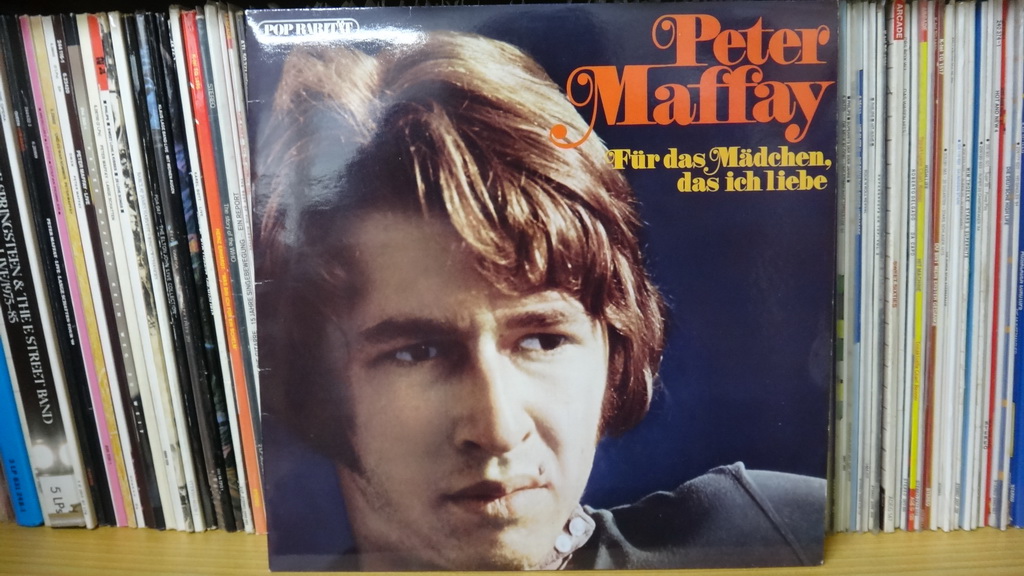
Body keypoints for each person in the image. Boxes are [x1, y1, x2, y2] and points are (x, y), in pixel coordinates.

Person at [252, 30, 825, 571]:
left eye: (543, 340)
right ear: (314, 385)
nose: (498, 428)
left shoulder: (775, 532)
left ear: (615, 352)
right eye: (418, 351)